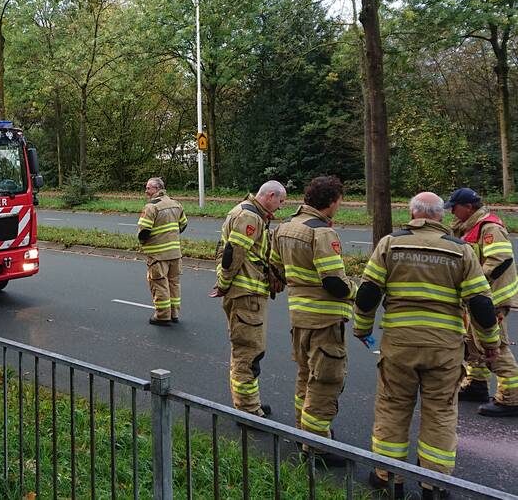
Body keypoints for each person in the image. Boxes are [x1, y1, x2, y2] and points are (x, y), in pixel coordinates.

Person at [354, 192, 500, 498]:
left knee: (393, 408)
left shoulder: (391, 244)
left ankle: (387, 476)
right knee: (441, 412)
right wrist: (490, 345)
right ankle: (433, 483)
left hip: (399, 345)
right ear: (440, 217)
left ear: (412, 214)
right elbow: (481, 304)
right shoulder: (460, 250)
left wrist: (362, 328)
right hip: (444, 349)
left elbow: (368, 292)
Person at [271, 176, 354, 460]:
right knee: (326, 381)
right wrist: (356, 291)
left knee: (305, 374)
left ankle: (302, 430)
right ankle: (317, 445)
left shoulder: (284, 228)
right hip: (325, 320)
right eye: (339, 202)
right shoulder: (322, 233)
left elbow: (276, 270)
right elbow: (334, 282)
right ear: (331, 202)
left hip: (299, 317)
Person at [210, 180, 287, 417]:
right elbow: (234, 254)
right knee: (248, 353)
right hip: (247, 295)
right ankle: (247, 410)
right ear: (270, 195)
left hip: (248, 293)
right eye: (280, 202)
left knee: (248, 350)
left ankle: (248, 402)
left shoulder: (248, 212)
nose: (281, 207)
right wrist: (223, 285)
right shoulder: (250, 217)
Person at [446, 187, 518, 416]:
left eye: (454, 208)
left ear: (468, 207)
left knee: (496, 346)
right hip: (477, 297)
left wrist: (475, 282)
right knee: (472, 343)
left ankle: (511, 398)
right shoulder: (470, 227)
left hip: (490, 298)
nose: (451, 213)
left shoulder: (489, 227)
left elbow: (500, 259)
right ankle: (476, 384)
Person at [137, 177, 188, 325]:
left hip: (158, 255)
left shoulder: (151, 207)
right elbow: (183, 224)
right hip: (175, 253)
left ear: (157, 189)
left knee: (159, 284)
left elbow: (144, 231)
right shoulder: (176, 204)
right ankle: (174, 313)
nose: (146, 191)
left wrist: (144, 243)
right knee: (174, 283)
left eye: (148, 188)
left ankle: (162, 315)